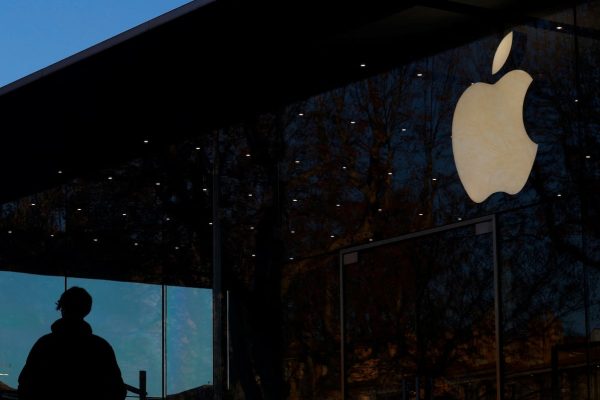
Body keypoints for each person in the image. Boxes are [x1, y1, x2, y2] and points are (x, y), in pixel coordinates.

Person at [18, 286, 127, 400]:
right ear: (87, 310)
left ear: (61, 307)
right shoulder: (101, 347)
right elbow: (117, 390)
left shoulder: (44, 344)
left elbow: (26, 385)